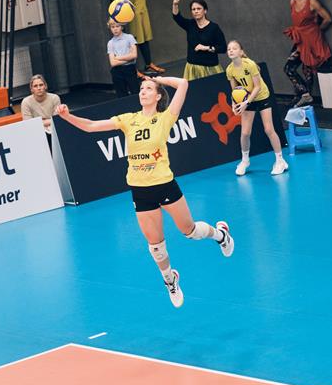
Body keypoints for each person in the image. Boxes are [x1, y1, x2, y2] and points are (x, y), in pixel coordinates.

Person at [57, 76, 234, 308]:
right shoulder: (128, 120)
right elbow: (91, 126)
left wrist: (158, 78)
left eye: (148, 89)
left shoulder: (166, 118)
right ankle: (170, 280)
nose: (143, 91)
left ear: (158, 96)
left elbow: (183, 84)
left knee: (189, 231)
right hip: (140, 190)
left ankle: (221, 235)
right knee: (156, 245)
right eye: (141, 88)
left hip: (164, 184)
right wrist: (67, 116)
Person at [226, 40, 288, 177]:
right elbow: (235, 90)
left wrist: (246, 102)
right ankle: (245, 161)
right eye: (229, 49)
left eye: (234, 48)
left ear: (241, 52)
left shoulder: (250, 64)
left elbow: (258, 86)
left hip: (261, 96)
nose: (231, 50)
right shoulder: (230, 70)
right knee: (245, 133)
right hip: (247, 100)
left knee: (269, 129)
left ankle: (280, 161)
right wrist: (234, 104)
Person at [283, 0, 332, 108]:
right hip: (300, 40)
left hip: (311, 40)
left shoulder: (312, 1)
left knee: (307, 71)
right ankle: (304, 95)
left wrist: (315, 32)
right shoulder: (292, 2)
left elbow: (328, 19)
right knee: (289, 68)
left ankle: (304, 98)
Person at [114, 0, 163, 74]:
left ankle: (148, 64)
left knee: (145, 37)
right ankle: (133, 69)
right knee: (133, 39)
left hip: (142, 7)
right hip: (132, 10)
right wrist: (122, 7)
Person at [171, 0, 226, 80]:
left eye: (199, 8)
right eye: (193, 9)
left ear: (205, 11)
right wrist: (175, 4)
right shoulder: (190, 25)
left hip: (210, 68)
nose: (196, 11)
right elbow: (177, 17)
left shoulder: (214, 27)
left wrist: (207, 48)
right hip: (192, 68)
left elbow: (223, 48)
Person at [107, 19, 140, 97]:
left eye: (117, 26)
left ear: (122, 27)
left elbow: (134, 55)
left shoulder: (129, 37)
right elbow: (113, 63)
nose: (115, 29)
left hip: (129, 69)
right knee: (121, 95)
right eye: (112, 27)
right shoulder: (110, 43)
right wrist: (129, 58)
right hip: (117, 71)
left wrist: (117, 58)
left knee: (135, 92)